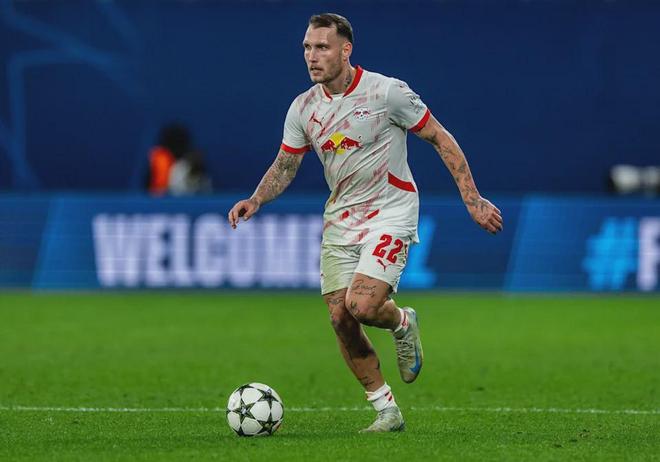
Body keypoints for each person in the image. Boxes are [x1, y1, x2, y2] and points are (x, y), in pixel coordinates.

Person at [228, 13, 503, 433]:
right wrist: (256, 198)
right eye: (307, 47)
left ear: (346, 50)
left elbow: (439, 137)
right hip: (341, 219)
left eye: (322, 47)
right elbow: (286, 164)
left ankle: (401, 322)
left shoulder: (386, 92)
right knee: (341, 318)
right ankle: (385, 410)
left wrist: (473, 198)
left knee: (362, 305)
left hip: (391, 211)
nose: (312, 56)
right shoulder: (303, 108)